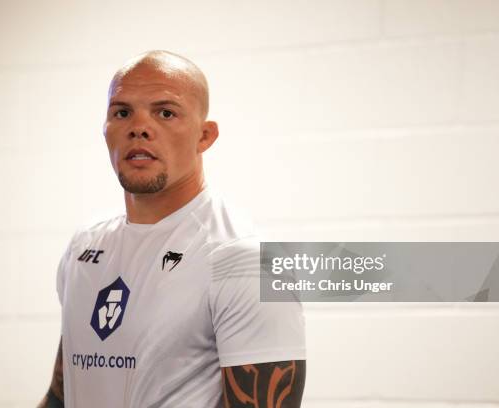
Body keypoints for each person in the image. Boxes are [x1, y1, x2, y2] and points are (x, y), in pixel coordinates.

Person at [38, 50, 306, 408]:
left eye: (165, 112)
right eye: (122, 112)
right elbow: (61, 396)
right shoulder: (84, 245)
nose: (139, 127)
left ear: (205, 136)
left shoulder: (245, 261)